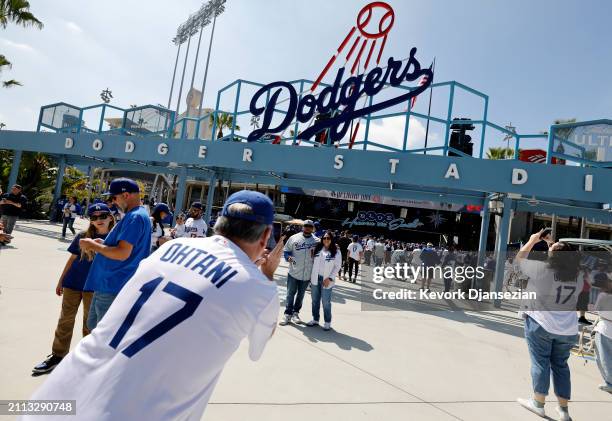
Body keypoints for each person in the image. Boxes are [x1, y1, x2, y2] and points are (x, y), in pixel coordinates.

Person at [22, 191, 283, 421]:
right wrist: (267, 275)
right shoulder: (257, 286)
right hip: (137, 411)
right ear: (266, 236)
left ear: (219, 224)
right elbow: (261, 339)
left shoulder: (173, 247)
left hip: (61, 392)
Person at [32, 204, 115, 375]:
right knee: (65, 320)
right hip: (73, 283)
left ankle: (88, 359)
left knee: (90, 324)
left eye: (103, 216)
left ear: (110, 217)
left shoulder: (115, 239)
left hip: (95, 287)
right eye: (94, 217)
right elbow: (72, 258)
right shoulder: (82, 236)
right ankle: (58, 355)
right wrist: (61, 280)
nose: (98, 220)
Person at [515, 230, 583, 421]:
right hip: (567, 328)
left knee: (540, 363)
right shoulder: (577, 276)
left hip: (541, 324)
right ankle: (563, 411)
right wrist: (553, 246)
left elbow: (519, 260)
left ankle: (538, 403)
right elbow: (562, 261)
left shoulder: (541, 269)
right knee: (561, 366)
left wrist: (532, 240)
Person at [80, 178, 152, 330]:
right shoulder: (137, 215)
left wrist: (93, 245)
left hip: (114, 284)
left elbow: (122, 253)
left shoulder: (135, 217)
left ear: (125, 195)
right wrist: (104, 244)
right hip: (110, 284)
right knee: (94, 327)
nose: (112, 202)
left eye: (114, 197)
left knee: (102, 334)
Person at [280, 219, 319, 325]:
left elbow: (322, 253)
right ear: (303, 227)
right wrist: (288, 257)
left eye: (309, 226)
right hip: (294, 270)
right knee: (290, 294)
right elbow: (286, 251)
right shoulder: (294, 238)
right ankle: (287, 314)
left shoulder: (316, 241)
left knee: (300, 295)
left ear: (312, 228)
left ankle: (295, 313)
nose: (307, 227)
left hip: (307, 273)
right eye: (305, 225)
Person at [307, 230, 342, 330]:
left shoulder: (336, 251)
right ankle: (315, 319)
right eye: (324, 238)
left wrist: (330, 278)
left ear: (331, 240)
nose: (326, 240)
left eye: (328, 238)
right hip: (315, 278)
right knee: (314, 300)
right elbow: (313, 261)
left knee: (326, 302)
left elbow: (337, 266)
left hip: (326, 279)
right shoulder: (318, 248)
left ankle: (327, 322)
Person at [593, 272, 612, 394]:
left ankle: (609, 383)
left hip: (605, 329)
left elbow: (598, 310)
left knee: (603, 358)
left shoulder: (603, 296)